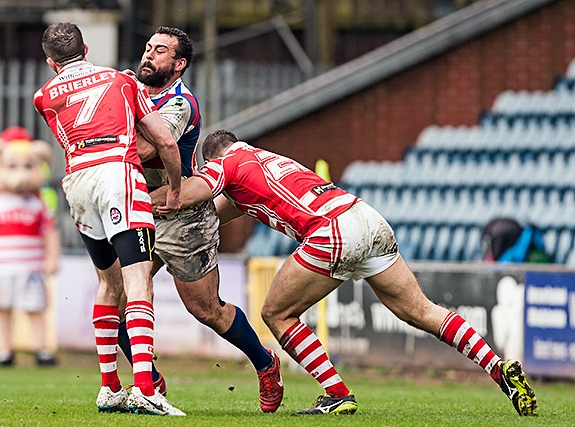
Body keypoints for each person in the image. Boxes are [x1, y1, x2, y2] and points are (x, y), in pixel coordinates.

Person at [150, 129, 538, 417]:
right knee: (423, 311)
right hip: (366, 217)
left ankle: (336, 393)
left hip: (331, 230)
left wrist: (136, 201)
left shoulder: (226, 164)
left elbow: (191, 195)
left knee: (276, 314)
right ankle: (498, 368)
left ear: (210, 160)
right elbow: (221, 210)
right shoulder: (262, 159)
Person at [116, 26, 283, 413]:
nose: (148, 55)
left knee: (206, 309)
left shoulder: (180, 103)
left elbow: (144, 148)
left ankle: (265, 363)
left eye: (160, 51)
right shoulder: (129, 92)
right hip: (140, 210)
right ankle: (149, 380)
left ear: (179, 64)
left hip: (182, 216)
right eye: (147, 48)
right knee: (118, 300)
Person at [33, 22, 184, 416]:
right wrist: (174, 188)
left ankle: (109, 386)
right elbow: (166, 141)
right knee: (138, 280)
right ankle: (146, 387)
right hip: (118, 174)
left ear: (51, 62)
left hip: (78, 182)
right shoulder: (121, 80)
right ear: (86, 46)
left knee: (107, 282)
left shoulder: (43, 95)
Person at [0, 136, 60, 367]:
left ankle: (41, 350)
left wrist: (52, 258)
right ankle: (4, 351)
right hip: (0, 267)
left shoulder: (39, 202)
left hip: (31, 267)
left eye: (29, 165)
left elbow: (50, 233)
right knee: (2, 310)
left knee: (35, 308)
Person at [0, 126, 59, 216]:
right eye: (13, 166)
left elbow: (47, 200)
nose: (22, 176)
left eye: (28, 166)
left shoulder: (41, 169)